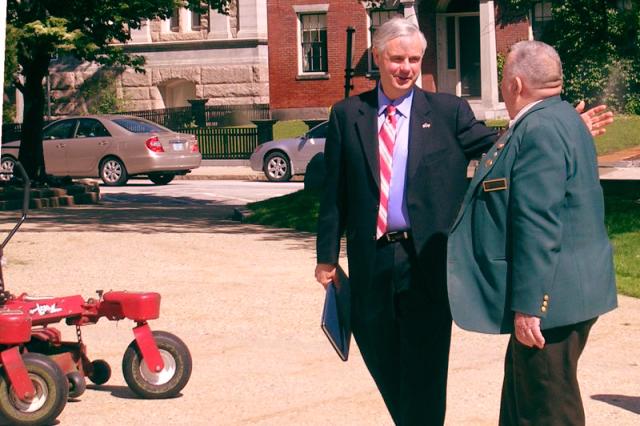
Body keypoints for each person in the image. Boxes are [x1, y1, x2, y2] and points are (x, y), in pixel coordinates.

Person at [315, 17, 612, 425]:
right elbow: (335, 191)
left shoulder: (447, 111)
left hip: (428, 261)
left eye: (415, 59)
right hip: (372, 262)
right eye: (398, 58)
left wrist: (556, 129)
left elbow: (505, 150)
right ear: (379, 58)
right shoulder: (348, 114)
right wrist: (326, 256)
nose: (407, 68)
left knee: (424, 370)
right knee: (382, 361)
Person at [447, 40, 618, 425]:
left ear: (517, 85)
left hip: (552, 302)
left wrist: (529, 306)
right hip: (568, 293)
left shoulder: (539, 128)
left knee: (548, 409)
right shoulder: (564, 119)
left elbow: (538, 223)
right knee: (523, 406)